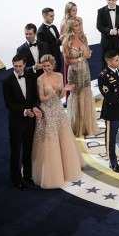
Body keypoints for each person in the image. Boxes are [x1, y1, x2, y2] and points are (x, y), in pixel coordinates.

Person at [31, 54, 85, 189]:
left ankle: (67, 168)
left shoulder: (60, 76)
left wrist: (62, 91)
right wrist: (54, 93)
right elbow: (42, 98)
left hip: (58, 109)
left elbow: (61, 96)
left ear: (53, 65)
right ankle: (53, 173)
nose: (46, 68)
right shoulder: (40, 79)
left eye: (48, 66)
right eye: (43, 66)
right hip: (47, 112)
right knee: (51, 140)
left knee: (64, 137)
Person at [3, 54, 42, 191]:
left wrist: (35, 107)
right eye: (15, 66)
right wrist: (25, 111)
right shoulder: (7, 81)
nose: (18, 69)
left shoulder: (31, 78)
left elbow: (34, 98)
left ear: (25, 65)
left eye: (20, 66)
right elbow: (9, 104)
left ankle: (27, 175)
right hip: (16, 122)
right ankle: (16, 179)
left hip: (30, 121)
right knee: (15, 151)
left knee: (28, 149)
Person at [63, 18, 100, 137]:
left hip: (85, 70)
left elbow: (87, 53)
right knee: (77, 96)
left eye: (79, 25)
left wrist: (88, 55)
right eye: (75, 26)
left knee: (86, 94)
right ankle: (76, 127)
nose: (78, 28)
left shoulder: (84, 38)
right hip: (74, 73)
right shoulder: (66, 42)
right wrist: (81, 58)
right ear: (70, 28)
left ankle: (86, 126)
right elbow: (68, 61)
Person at [60, 1, 83, 98]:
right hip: (70, 51)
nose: (75, 12)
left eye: (76, 10)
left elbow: (82, 34)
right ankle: (70, 97)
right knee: (70, 76)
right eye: (73, 10)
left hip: (79, 50)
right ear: (68, 11)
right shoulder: (64, 22)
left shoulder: (79, 19)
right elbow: (61, 38)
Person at [37, 7, 64, 72]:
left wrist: (63, 39)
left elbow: (58, 43)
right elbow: (46, 49)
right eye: (51, 16)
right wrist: (59, 40)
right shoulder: (41, 31)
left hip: (58, 61)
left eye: (53, 15)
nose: (53, 18)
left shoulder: (54, 27)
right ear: (44, 16)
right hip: (49, 64)